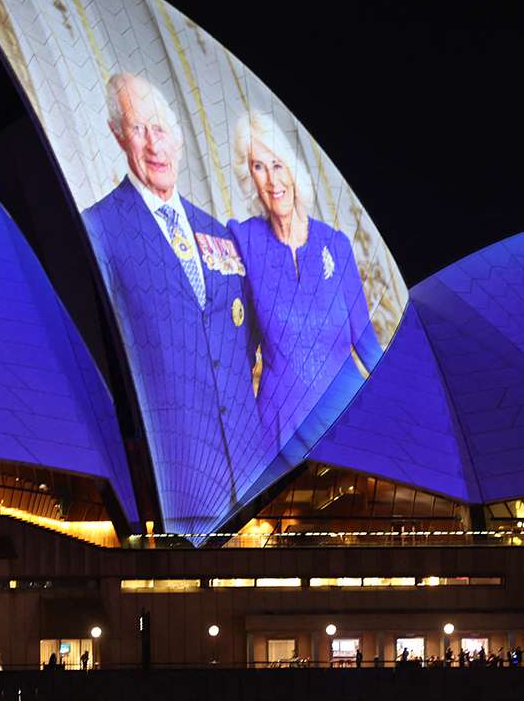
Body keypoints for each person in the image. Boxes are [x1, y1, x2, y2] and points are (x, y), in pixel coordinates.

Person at [82, 74, 264, 531]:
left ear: (180, 137)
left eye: (161, 129)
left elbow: (243, 349)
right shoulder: (98, 230)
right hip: (171, 490)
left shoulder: (220, 234)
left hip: (251, 485)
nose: (154, 145)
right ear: (117, 134)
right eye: (139, 129)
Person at [226, 110, 382, 470]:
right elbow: (241, 351)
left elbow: (368, 346)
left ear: (293, 169)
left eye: (277, 165)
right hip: (279, 436)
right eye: (258, 167)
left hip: (346, 422)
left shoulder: (336, 245)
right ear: (248, 177)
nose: (271, 180)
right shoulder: (243, 240)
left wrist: (398, 409)